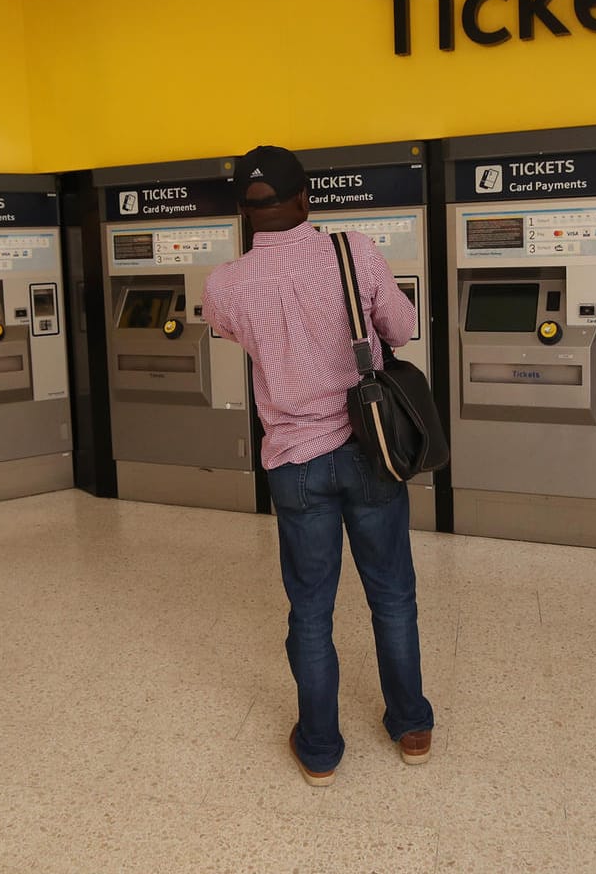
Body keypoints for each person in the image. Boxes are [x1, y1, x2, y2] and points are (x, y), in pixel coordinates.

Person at [202, 145, 435, 787]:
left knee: (310, 608)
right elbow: (404, 327)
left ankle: (321, 749)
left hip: (294, 462)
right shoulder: (352, 251)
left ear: (246, 215)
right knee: (391, 594)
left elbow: (230, 333)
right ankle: (412, 726)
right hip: (370, 450)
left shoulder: (225, 285)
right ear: (305, 200)